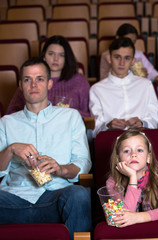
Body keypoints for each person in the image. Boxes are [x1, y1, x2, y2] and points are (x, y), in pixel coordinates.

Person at [0, 58, 92, 240]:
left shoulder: (70, 117)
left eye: (40, 79)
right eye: (27, 79)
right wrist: (10, 150)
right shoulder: (6, 122)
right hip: (13, 200)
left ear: (50, 83)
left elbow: (83, 162)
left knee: (78, 195)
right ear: (20, 85)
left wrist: (61, 169)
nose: (33, 84)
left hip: (55, 197)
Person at [89, 38, 158, 138]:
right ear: (109, 59)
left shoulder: (146, 85)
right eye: (117, 57)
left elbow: (155, 116)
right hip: (112, 140)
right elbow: (94, 128)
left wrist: (142, 123)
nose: (122, 63)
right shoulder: (97, 89)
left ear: (133, 61)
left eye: (127, 58)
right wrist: (108, 126)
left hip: (142, 138)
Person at [6, 35, 91, 117]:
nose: (56, 59)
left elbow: (89, 116)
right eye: (51, 54)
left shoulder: (79, 80)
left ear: (67, 58)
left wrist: (67, 113)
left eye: (61, 55)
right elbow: (11, 113)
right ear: (44, 56)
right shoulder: (31, 79)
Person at [106, 130, 158, 227]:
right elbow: (123, 218)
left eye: (139, 150)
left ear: (148, 158)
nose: (133, 154)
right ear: (118, 159)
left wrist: (138, 217)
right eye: (126, 151)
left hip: (153, 226)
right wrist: (132, 177)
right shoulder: (113, 181)